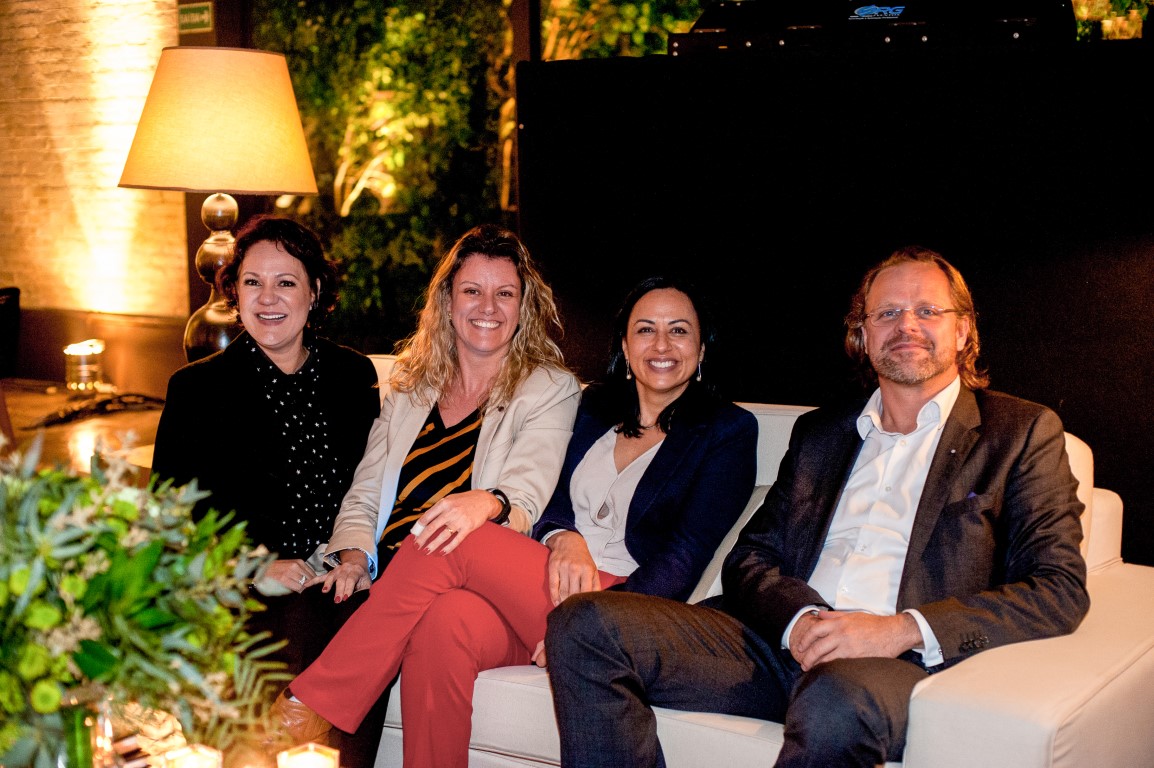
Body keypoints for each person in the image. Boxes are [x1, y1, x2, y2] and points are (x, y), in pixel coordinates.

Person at [544, 246, 1090, 768]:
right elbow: (750, 559)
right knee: (584, 621)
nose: (906, 325)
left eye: (927, 311)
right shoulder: (822, 433)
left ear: (963, 330)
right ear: (863, 334)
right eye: (887, 313)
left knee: (833, 700)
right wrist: (801, 619)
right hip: (777, 643)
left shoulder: (1019, 432)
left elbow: (1058, 587)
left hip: (891, 664)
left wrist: (899, 629)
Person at [273, 275, 759, 768]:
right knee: (444, 621)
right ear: (625, 345)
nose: (661, 345)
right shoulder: (594, 408)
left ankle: (314, 703)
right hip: (545, 580)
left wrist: (592, 626)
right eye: (645, 329)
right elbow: (551, 496)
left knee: (453, 533)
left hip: (624, 602)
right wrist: (564, 537)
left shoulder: (729, 432)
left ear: (702, 347)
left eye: (678, 331)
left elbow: (685, 555)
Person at [273, 223, 582, 762]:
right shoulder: (411, 385)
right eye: (472, 290)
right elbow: (365, 491)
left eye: (505, 293)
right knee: (401, 620)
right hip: (401, 578)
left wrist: (486, 502)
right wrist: (353, 556)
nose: (488, 307)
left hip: (477, 567)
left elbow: (525, 499)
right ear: (447, 300)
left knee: (447, 530)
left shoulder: (549, 387)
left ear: (524, 306)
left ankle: (314, 702)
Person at [151, 214, 380, 677]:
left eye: (286, 283)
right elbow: (167, 524)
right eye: (253, 282)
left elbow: (374, 485)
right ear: (235, 293)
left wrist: (351, 559)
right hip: (246, 587)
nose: (267, 298)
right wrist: (254, 567)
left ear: (314, 291)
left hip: (339, 575)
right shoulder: (196, 390)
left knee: (365, 622)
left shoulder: (353, 377)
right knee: (300, 630)